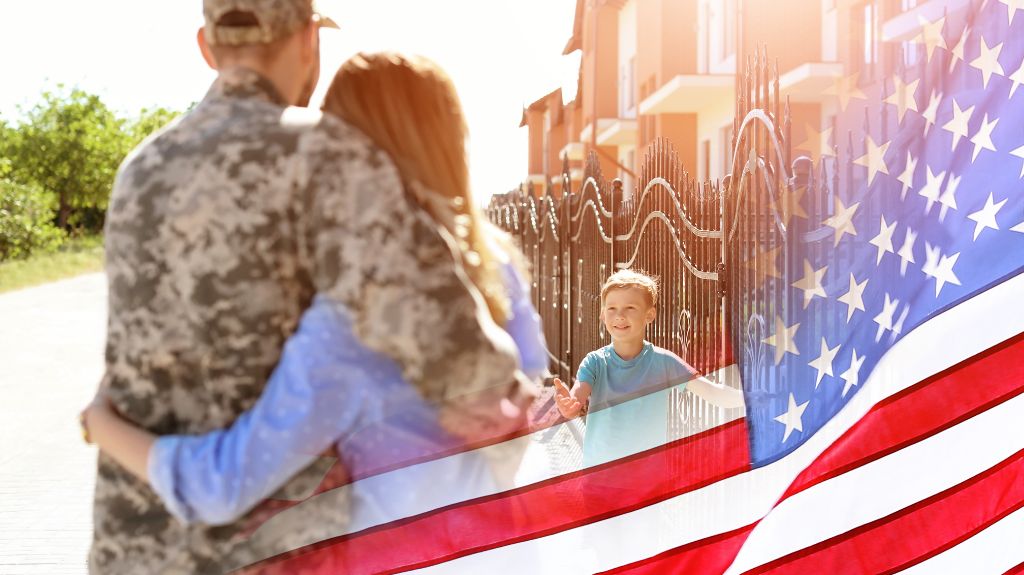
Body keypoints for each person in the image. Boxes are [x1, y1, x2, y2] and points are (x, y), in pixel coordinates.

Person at [89, 2, 531, 572]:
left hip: (136, 545)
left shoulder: (139, 170)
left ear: (206, 46)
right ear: (307, 44)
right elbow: (454, 357)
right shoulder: (328, 154)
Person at [553, 269, 744, 468]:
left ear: (650, 314)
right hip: (600, 480)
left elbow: (713, 393)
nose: (619, 315)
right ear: (602, 314)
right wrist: (570, 406)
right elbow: (577, 397)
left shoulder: (664, 362)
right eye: (611, 308)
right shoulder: (594, 362)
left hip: (648, 484)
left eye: (630, 307)